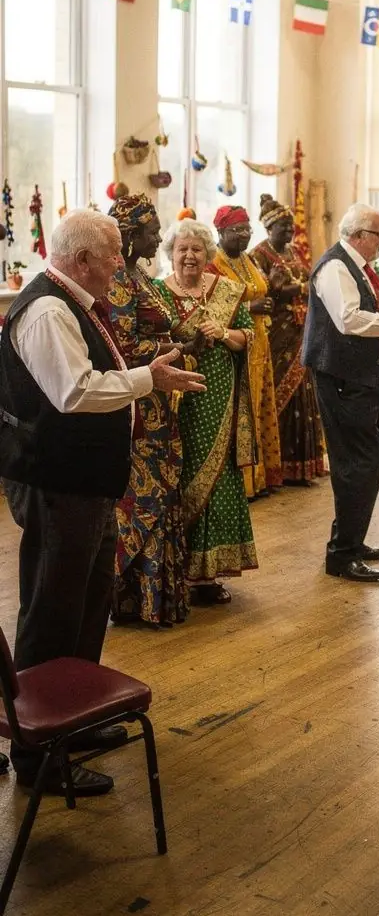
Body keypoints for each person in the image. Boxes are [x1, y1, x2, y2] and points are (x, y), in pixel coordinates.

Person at [0, 210, 204, 795]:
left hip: (84, 483)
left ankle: (75, 723)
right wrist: (147, 380)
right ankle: (37, 755)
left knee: (88, 604)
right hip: (56, 483)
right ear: (83, 259)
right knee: (51, 611)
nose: (122, 262)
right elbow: (74, 392)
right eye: (113, 253)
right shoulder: (45, 309)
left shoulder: (72, 303)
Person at [302, 203, 379, 582]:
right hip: (341, 377)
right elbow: (349, 319)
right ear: (358, 236)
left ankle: (352, 538)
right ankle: (342, 554)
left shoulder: (359, 268)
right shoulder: (336, 266)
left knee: (373, 456)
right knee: (355, 464)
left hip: (361, 377)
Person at [155, 219, 258, 601]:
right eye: (182, 248)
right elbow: (152, 341)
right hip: (175, 399)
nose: (189, 255)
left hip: (219, 396)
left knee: (219, 477)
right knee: (180, 474)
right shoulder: (158, 292)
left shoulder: (228, 290)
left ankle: (208, 574)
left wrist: (225, 334)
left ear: (208, 254)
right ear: (171, 253)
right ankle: (176, 568)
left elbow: (247, 335)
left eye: (197, 249)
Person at [105, 195, 190, 628]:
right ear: (130, 234)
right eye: (153, 230)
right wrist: (172, 349)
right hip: (137, 406)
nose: (159, 236)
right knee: (143, 500)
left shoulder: (136, 272)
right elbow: (119, 347)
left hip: (155, 400)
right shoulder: (118, 276)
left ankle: (155, 599)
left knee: (159, 493)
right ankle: (136, 600)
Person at [250, 196, 326, 483]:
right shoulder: (259, 255)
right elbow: (270, 290)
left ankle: (303, 466)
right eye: (283, 226)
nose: (289, 231)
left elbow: (306, 282)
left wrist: (299, 287)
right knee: (279, 392)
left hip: (301, 332)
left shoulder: (295, 252)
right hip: (276, 333)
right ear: (269, 228)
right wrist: (302, 287)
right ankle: (276, 467)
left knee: (302, 395)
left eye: (291, 226)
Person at [210, 204, 282, 500]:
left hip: (259, 344)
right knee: (242, 411)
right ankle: (242, 483)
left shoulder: (248, 260)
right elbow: (209, 305)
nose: (243, 235)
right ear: (221, 232)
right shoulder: (212, 264)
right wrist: (249, 308)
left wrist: (271, 294)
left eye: (246, 229)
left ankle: (260, 478)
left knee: (261, 406)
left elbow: (262, 290)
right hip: (233, 345)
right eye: (236, 230)